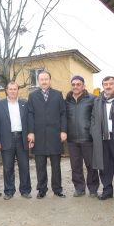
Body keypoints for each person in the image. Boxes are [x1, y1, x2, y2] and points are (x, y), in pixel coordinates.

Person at [27, 71, 67, 199]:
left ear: (50, 80)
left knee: (56, 164)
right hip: (38, 135)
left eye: (46, 79)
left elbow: (63, 113)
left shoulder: (58, 94)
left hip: (55, 134)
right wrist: (31, 132)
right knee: (40, 165)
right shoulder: (32, 96)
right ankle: (42, 189)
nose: (44, 81)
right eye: (41, 79)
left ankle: (57, 188)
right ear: (38, 81)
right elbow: (30, 115)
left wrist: (63, 131)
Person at [0, 82, 32, 200]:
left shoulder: (24, 104)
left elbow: (29, 121)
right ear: (6, 90)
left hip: (22, 138)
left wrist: (31, 135)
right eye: (10, 89)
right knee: (8, 167)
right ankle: (9, 191)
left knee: (24, 166)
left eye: (15, 89)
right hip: (6, 139)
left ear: (18, 90)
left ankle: (25, 190)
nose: (13, 91)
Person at [65, 75, 99, 198]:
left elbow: (96, 118)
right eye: (73, 84)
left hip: (88, 138)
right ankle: (79, 188)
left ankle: (93, 188)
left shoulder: (92, 99)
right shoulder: (66, 100)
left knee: (91, 165)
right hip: (72, 139)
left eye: (78, 84)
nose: (76, 86)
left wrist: (92, 130)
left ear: (83, 86)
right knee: (75, 166)